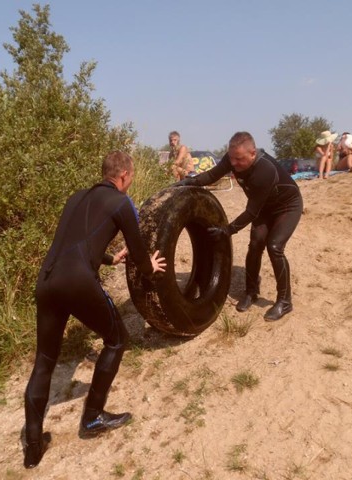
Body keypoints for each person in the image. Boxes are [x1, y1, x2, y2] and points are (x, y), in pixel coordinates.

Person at [23, 151, 167, 468]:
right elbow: (139, 247)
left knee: (45, 360)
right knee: (116, 339)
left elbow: (72, 241)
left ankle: (32, 446)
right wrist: (149, 266)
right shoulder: (120, 203)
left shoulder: (77, 198)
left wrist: (107, 259)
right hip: (77, 282)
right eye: (130, 178)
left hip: (46, 281)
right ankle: (92, 418)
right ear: (125, 176)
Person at [175, 131, 303, 322]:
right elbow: (213, 175)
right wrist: (190, 182)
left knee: (274, 247)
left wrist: (228, 230)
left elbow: (251, 212)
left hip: (287, 207)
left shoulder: (264, 170)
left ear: (252, 153)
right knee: (255, 244)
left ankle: (285, 301)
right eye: (231, 158)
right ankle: (251, 292)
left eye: (239, 159)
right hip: (264, 207)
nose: (233, 164)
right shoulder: (233, 157)